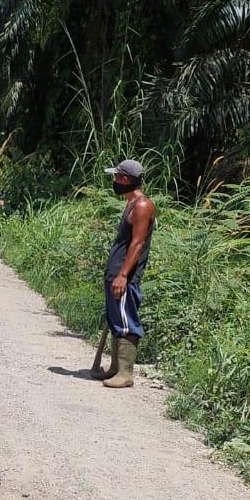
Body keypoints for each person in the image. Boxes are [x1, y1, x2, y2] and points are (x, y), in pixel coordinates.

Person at [92, 160, 156, 389]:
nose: (114, 182)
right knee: (116, 319)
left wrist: (122, 275)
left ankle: (126, 373)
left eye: (117, 177)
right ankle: (115, 368)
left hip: (125, 276)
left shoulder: (142, 206)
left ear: (126, 180)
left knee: (126, 322)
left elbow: (137, 244)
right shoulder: (131, 203)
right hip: (116, 271)